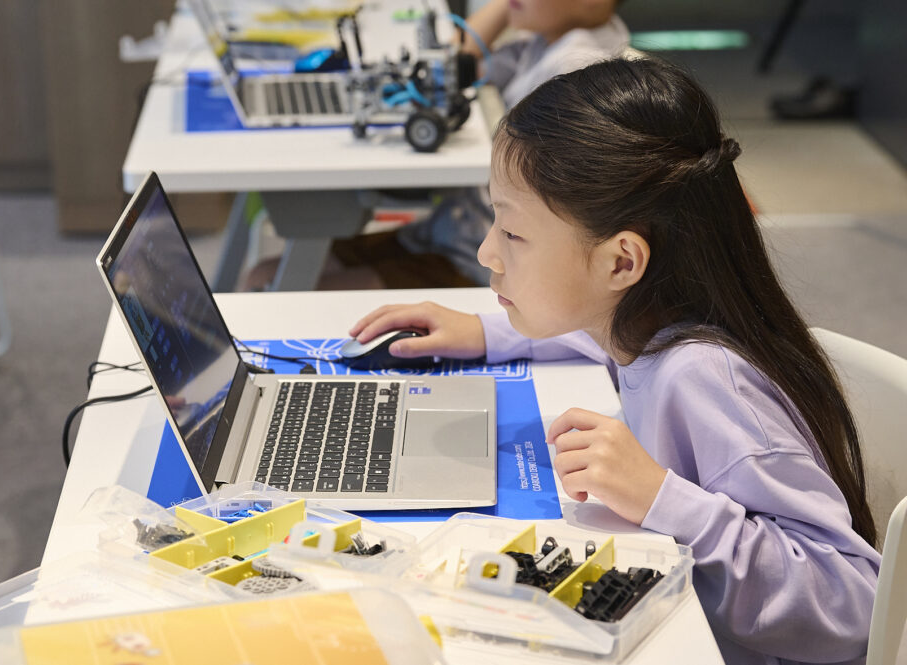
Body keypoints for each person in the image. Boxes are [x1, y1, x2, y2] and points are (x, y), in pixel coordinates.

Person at [348, 58, 880, 664]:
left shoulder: (705, 378)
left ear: (622, 262)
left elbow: (855, 605)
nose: (487, 252)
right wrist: (485, 333)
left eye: (514, 234)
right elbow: (587, 330)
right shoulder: (641, 324)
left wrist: (660, 498)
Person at [243, 0, 630, 291]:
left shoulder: (577, 69)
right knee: (264, 275)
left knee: (268, 282)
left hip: (479, 265)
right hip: (449, 233)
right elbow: (452, 63)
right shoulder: (549, 40)